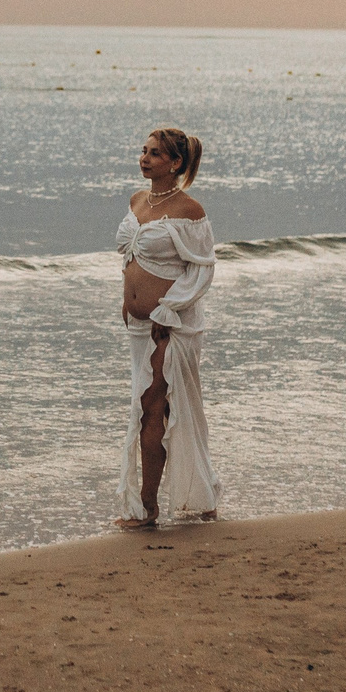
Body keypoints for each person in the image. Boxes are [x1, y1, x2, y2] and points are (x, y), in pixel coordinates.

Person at [115, 126, 221, 530]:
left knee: (152, 411)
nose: (144, 158)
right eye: (143, 151)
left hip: (171, 327)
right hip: (140, 328)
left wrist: (167, 310)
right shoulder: (137, 199)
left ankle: (146, 508)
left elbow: (201, 270)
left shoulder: (190, 210)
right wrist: (127, 299)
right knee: (164, 409)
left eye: (154, 154)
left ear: (175, 163)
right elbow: (132, 257)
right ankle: (200, 494)